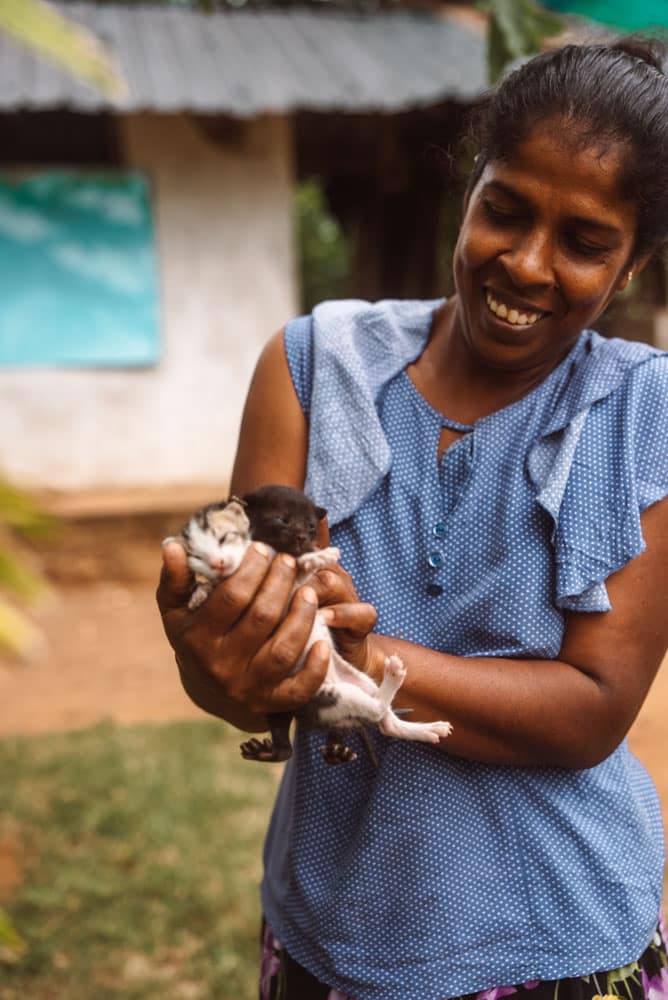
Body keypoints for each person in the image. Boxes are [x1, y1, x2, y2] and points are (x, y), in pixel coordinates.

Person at [157, 37, 668, 1000]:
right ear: (468, 189)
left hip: (558, 941)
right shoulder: (312, 365)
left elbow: (592, 710)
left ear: (634, 263)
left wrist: (351, 658)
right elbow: (248, 686)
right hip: (332, 932)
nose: (526, 264)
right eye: (504, 211)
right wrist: (218, 643)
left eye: (586, 241)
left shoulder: (643, 413)